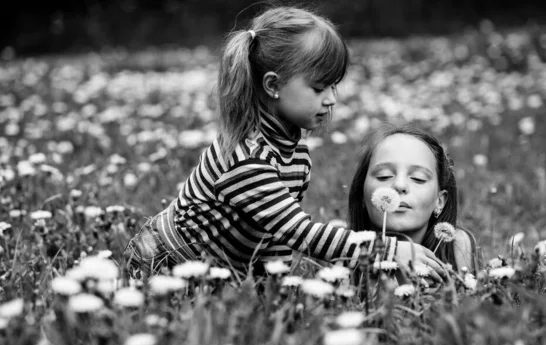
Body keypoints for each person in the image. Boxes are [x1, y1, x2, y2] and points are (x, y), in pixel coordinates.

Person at [124, 6, 446, 282]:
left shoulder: (295, 153)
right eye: (319, 88)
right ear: (273, 85)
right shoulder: (247, 160)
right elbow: (298, 233)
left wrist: (278, 290)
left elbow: (275, 236)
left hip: (216, 272)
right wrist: (385, 250)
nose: (331, 99)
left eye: (333, 86)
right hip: (162, 266)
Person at [347, 125, 479, 276]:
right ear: (362, 195)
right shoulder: (334, 250)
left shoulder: (458, 249)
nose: (400, 185)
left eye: (418, 179)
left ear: (439, 201)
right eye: (384, 176)